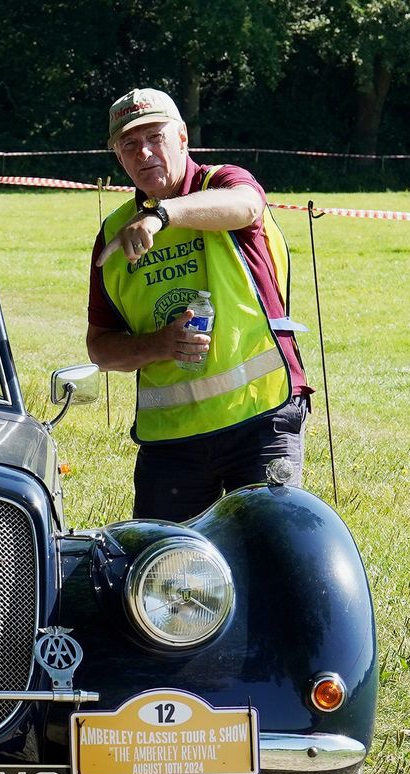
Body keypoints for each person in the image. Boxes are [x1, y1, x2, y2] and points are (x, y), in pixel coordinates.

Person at [86, 87, 312, 523]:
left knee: (266, 553)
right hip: (172, 441)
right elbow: (100, 348)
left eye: (155, 137)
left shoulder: (223, 183)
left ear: (183, 137)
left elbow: (247, 205)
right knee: (164, 572)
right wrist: (159, 345)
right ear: (117, 156)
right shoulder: (114, 234)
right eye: (129, 144)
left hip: (260, 417)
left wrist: (162, 214)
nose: (144, 152)